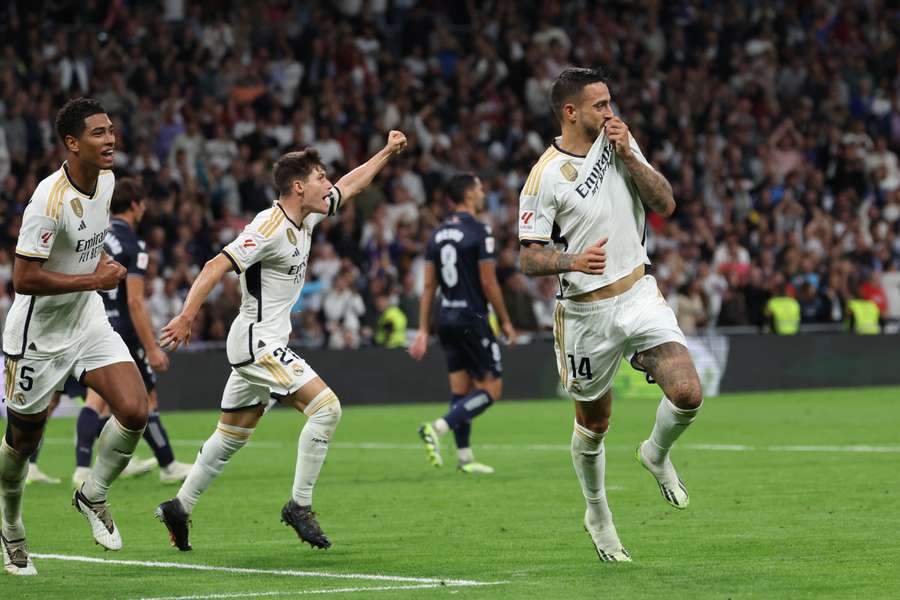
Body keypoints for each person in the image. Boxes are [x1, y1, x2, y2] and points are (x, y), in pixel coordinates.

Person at [154, 131, 408, 552]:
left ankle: (179, 506)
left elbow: (352, 184)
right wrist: (186, 315)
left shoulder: (307, 217)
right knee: (327, 409)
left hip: (260, 342)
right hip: (257, 342)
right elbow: (217, 263)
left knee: (230, 438)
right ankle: (300, 505)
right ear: (297, 186)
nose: (329, 185)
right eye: (321, 177)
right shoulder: (268, 226)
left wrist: (384, 151)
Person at [517, 68, 703, 562]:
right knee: (594, 423)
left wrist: (628, 154)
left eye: (610, 101)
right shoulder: (545, 176)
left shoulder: (620, 142)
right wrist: (571, 260)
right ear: (570, 112)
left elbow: (665, 201)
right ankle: (597, 512)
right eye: (599, 105)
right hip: (584, 312)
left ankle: (655, 454)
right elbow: (528, 257)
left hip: (638, 292)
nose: (610, 111)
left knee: (687, 393)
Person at [1, 98, 150, 575]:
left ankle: (93, 494)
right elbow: (23, 278)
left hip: (85, 320)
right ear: (72, 143)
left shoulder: (105, 182)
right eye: (98, 133)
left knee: (134, 409)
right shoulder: (47, 201)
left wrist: (96, 269)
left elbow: (86, 246)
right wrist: (93, 279)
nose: (110, 139)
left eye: (111, 130)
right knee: (22, 443)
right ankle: (11, 526)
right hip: (38, 336)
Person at [71, 178, 192, 488]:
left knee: (96, 399)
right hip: (123, 330)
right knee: (145, 398)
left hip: (93, 322)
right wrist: (151, 347)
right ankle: (168, 464)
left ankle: (84, 467)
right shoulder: (132, 244)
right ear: (137, 205)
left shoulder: (97, 236)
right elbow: (135, 301)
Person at [409, 174, 517, 474]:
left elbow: (429, 287)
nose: (483, 193)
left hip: (446, 319)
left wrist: (422, 329)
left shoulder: (437, 234)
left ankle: (465, 458)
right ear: (469, 194)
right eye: (480, 188)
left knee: (461, 389)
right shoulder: (479, 231)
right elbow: (488, 281)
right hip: (473, 318)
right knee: (491, 390)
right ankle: (438, 428)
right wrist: (506, 321)